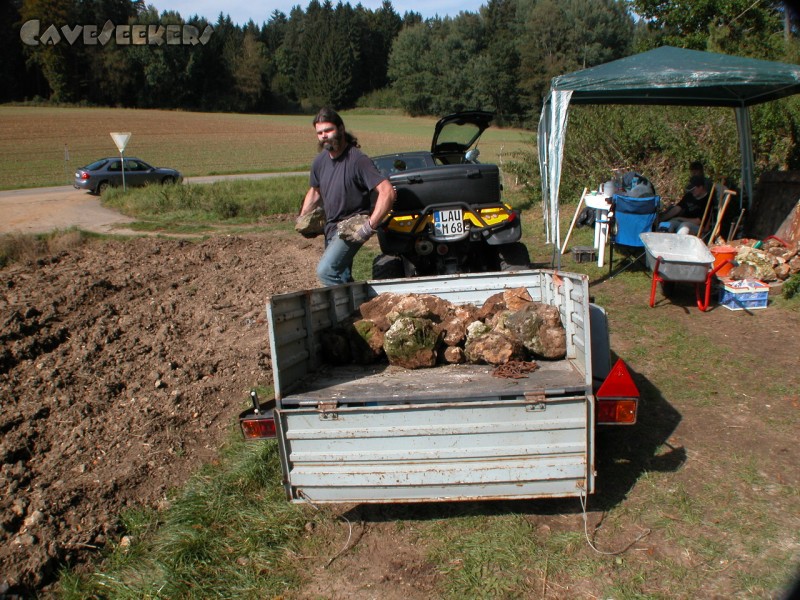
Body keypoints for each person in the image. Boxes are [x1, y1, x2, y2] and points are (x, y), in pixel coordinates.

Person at [297, 107, 396, 286]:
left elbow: (387, 191)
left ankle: (358, 306)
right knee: (341, 276)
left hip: (351, 228)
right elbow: (315, 192)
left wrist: (368, 227)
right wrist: (303, 219)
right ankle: (362, 308)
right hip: (330, 228)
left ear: (341, 129)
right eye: (320, 133)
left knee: (326, 272)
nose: (324, 136)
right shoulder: (319, 162)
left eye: (328, 130)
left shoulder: (357, 160)